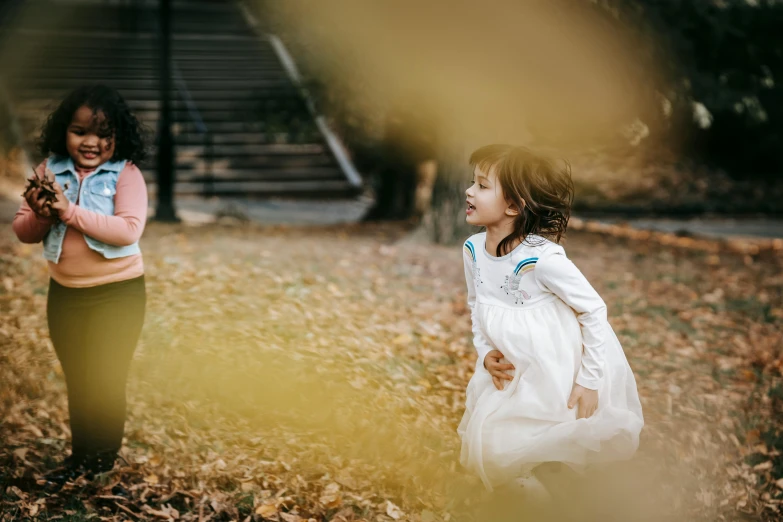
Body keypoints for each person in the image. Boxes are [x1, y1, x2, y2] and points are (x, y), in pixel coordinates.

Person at [458, 144, 643, 494]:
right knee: (501, 434)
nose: (469, 191)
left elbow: (593, 309)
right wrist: (485, 351)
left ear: (513, 205)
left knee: (555, 433)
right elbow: (477, 305)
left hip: (557, 365)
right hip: (514, 366)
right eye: (472, 182)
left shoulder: (542, 259)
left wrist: (589, 380)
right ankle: (526, 487)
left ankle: (557, 492)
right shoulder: (472, 251)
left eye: (482, 185)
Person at [12, 84, 148, 480]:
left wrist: (68, 211)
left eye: (104, 133)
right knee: (79, 376)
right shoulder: (47, 171)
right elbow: (24, 230)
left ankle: (101, 466)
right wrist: (43, 214)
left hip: (117, 295)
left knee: (105, 378)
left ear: (118, 136)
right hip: (66, 295)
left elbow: (128, 230)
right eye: (80, 131)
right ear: (64, 132)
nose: (91, 142)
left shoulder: (126, 174)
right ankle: (80, 459)